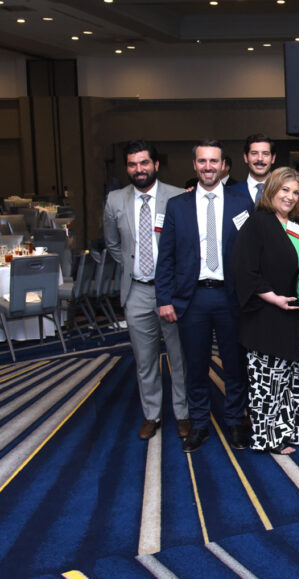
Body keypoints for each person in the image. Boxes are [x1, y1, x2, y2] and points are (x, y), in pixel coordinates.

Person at [156, 140, 251, 453]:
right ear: (194, 165)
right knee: (195, 366)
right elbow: (165, 257)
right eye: (202, 161)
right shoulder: (177, 206)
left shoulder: (242, 204)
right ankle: (199, 424)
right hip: (192, 298)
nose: (208, 167)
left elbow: (252, 255)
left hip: (230, 297)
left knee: (234, 364)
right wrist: (164, 299)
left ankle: (235, 421)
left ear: (223, 165)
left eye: (213, 161)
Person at [231, 167, 299, 455]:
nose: (290, 196)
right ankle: (271, 437)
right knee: (271, 380)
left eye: (295, 192)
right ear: (271, 189)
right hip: (270, 316)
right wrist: (273, 298)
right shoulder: (257, 223)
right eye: (285, 190)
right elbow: (244, 269)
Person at [103, 140, 190, 440]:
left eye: (144, 163)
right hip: (136, 291)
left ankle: (183, 414)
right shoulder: (115, 200)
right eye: (132, 164)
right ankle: (152, 415)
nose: (138, 169)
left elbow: (187, 245)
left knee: (179, 358)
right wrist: (134, 266)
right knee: (144, 360)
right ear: (127, 168)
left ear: (155, 164)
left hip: (172, 292)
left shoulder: (178, 197)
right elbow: (113, 244)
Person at [228, 133, 276, 209]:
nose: (260, 158)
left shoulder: (284, 192)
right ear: (246, 158)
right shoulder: (230, 192)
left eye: (265, 154)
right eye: (254, 153)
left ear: (273, 158)